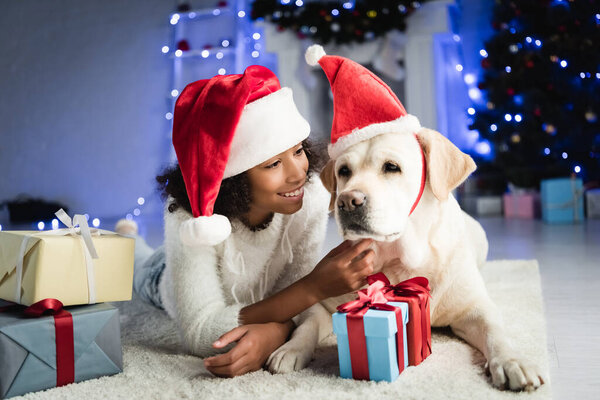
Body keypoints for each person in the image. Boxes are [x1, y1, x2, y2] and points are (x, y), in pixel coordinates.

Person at [115, 65, 374, 378]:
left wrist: (275, 331)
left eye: (298, 151)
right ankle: (127, 238)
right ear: (233, 179)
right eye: (273, 163)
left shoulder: (310, 197)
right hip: (163, 278)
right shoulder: (191, 218)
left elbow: (291, 289)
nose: (297, 173)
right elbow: (199, 332)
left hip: (253, 299)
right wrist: (313, 289)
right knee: (136, 264)